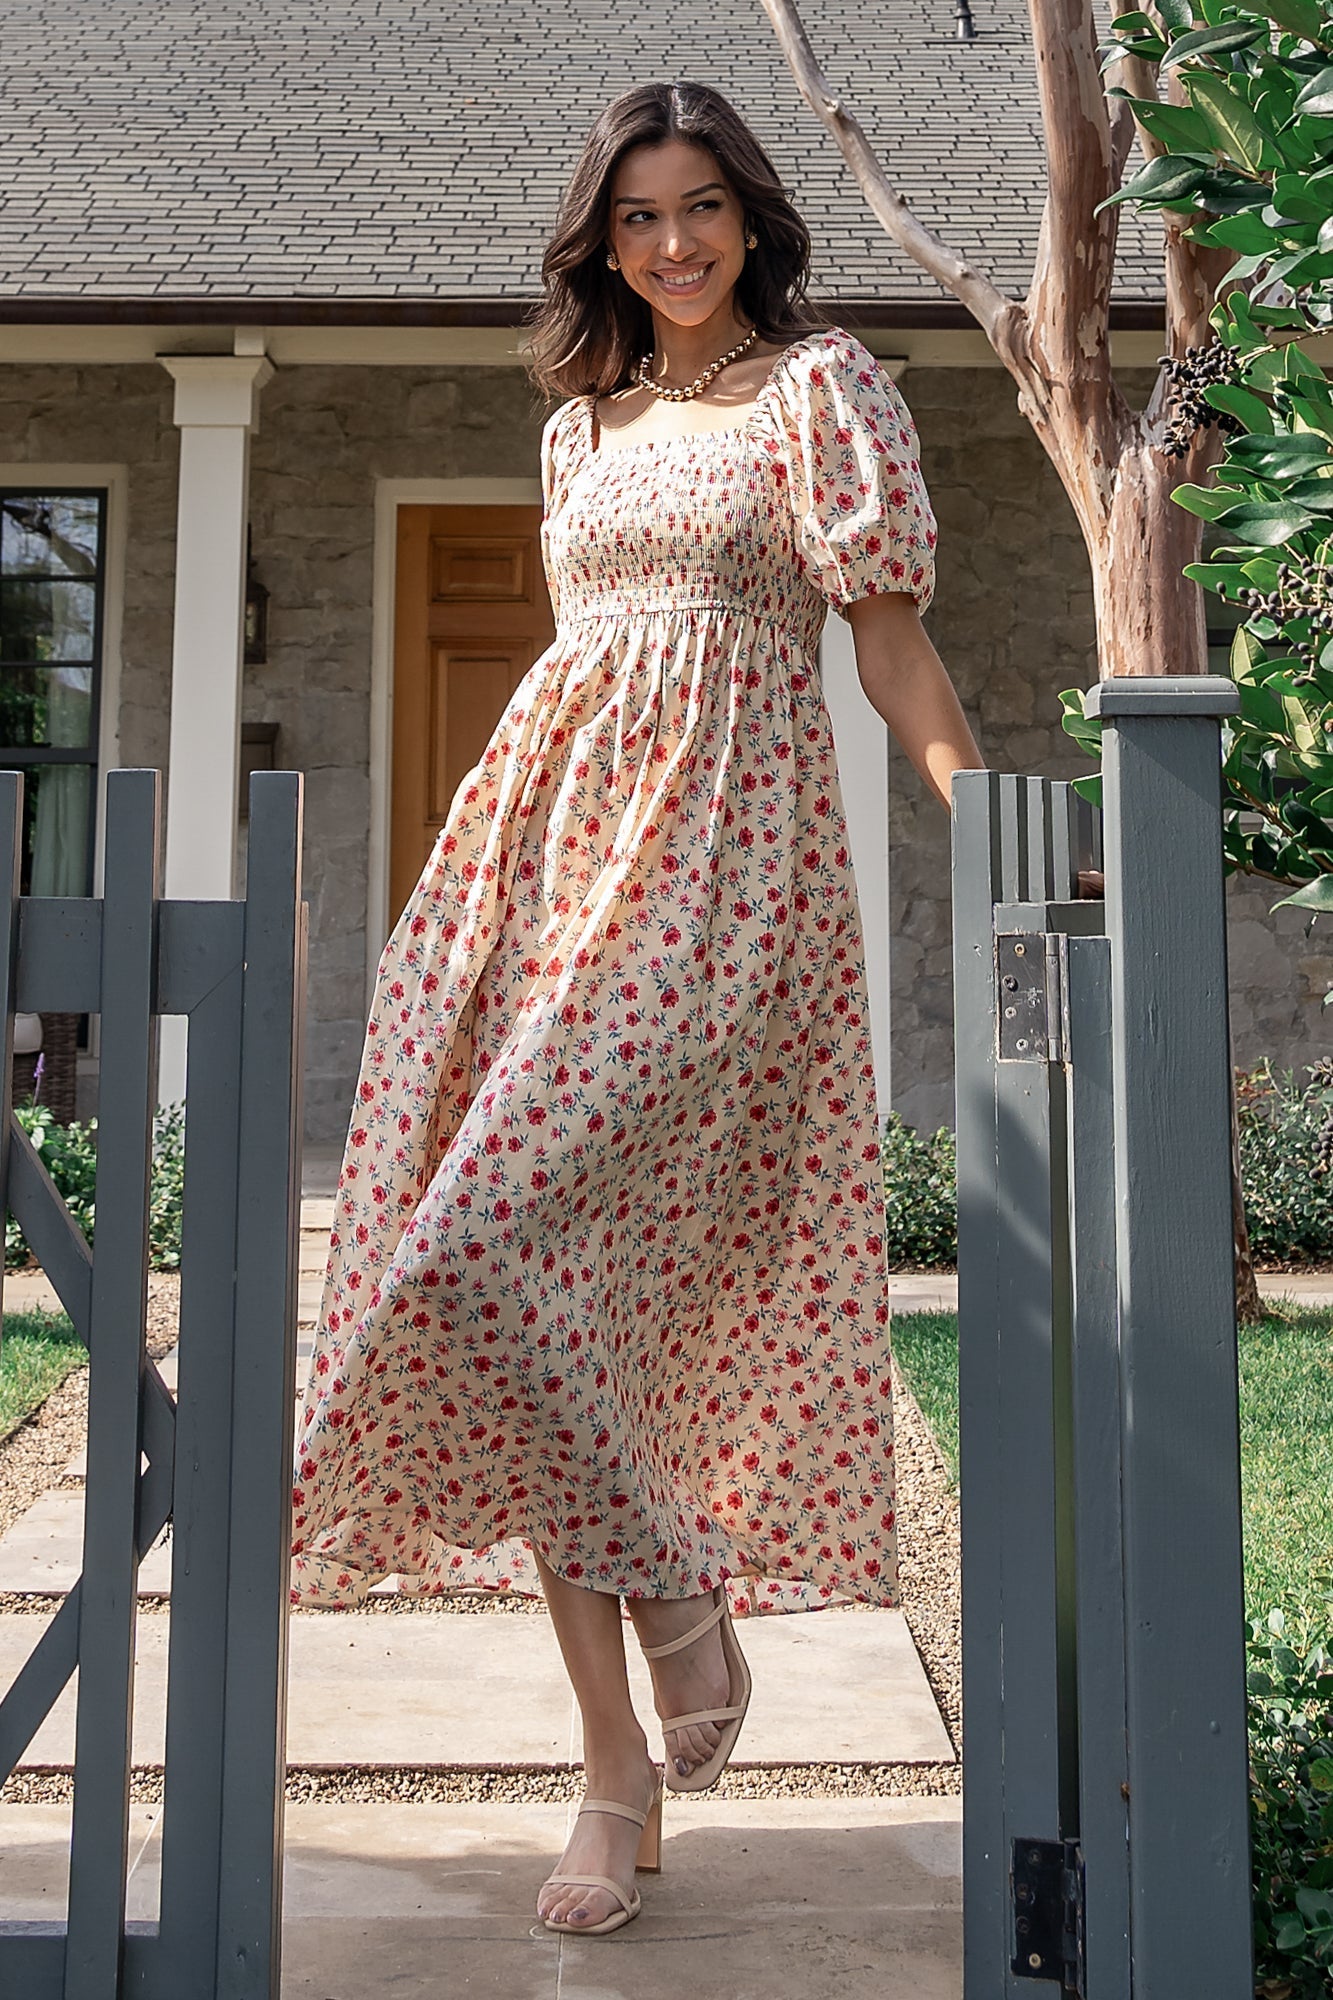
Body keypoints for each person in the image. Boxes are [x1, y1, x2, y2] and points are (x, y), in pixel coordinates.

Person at [290, 79, 985, 1939]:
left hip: (721, 881)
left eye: (699, 210)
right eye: (637, 220)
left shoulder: (824, 394)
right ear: (602, 242)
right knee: (473, 1269)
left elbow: (891, 645)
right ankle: (613, 1763)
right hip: (534, 863)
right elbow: (585, 664)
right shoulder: (575, 428)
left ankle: (672, 1603)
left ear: (751, 220)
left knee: (496, 1244)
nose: (671, 244)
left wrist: (994, 854)